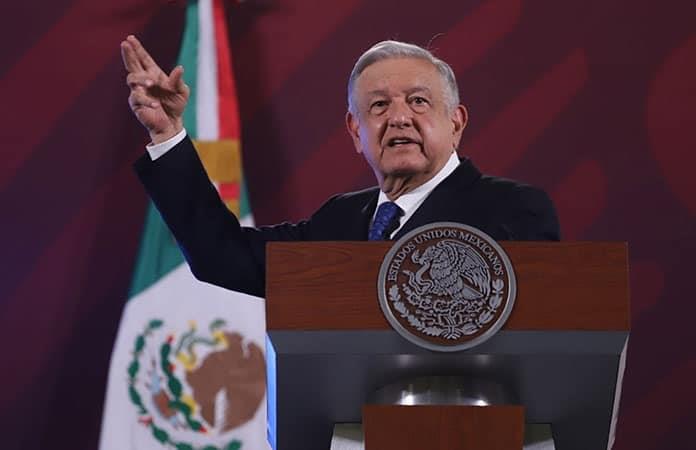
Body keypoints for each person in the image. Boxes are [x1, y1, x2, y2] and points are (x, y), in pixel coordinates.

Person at [121, 35, 560, 298]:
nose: (399, 117)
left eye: (418, 101)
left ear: (456, 122)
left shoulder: (512, 210)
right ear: (355, 131)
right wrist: (168, 134)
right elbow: (222, 256)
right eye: (379, 106)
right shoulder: (340, 220)